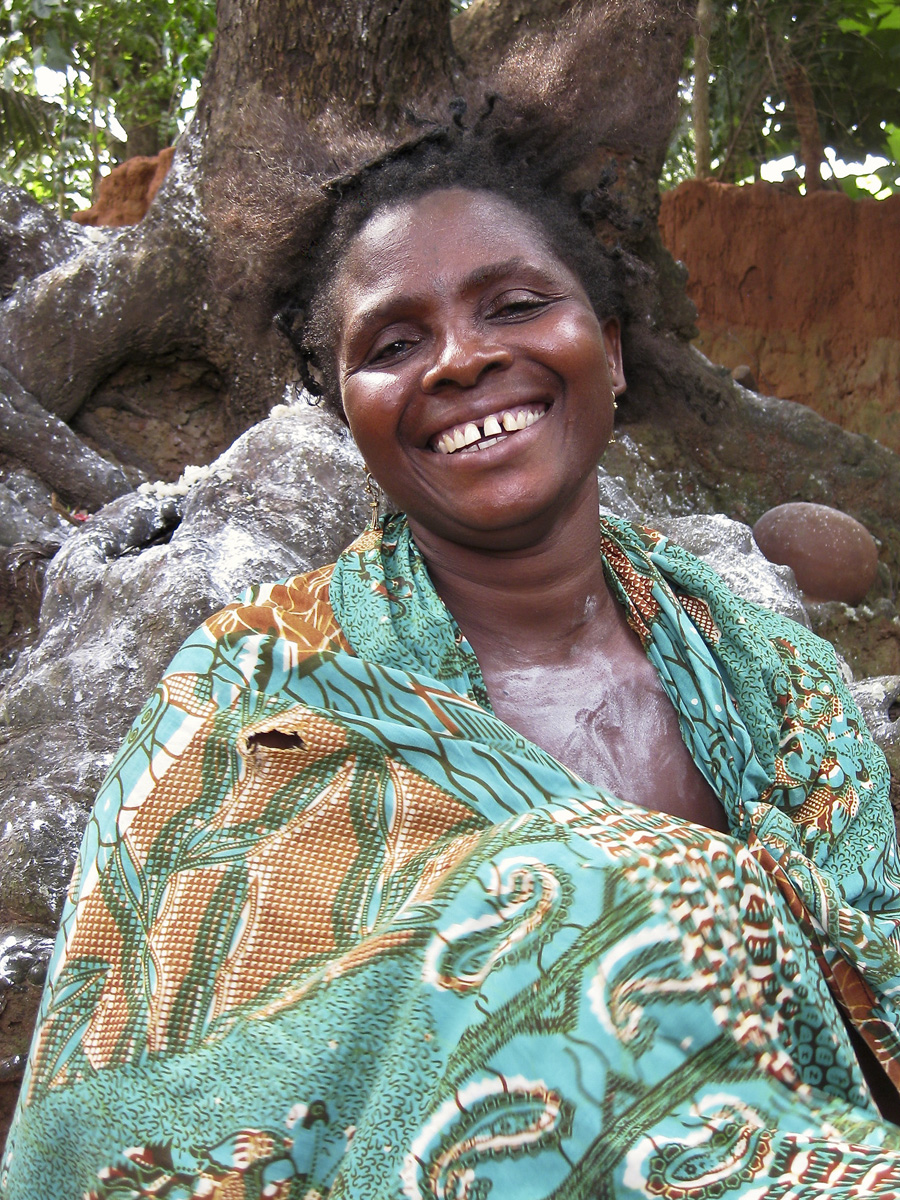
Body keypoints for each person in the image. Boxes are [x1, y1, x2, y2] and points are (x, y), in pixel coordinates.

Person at [5, 124, 900, 1199]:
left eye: (515, 306)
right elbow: (124, 1109)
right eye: (390, 346)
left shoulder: (777, 682)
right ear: (348, 411)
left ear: (609, 350)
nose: (462, 358)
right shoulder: (261, 695)